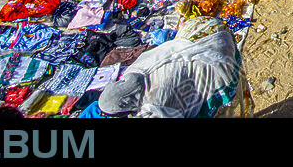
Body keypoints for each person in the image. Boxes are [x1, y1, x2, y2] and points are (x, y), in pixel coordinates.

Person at [97, 17, 240, 118]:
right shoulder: (132, 72)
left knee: (215, 88)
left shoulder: (155, 105)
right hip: (200, 27)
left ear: (125, 105)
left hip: (213, 46)